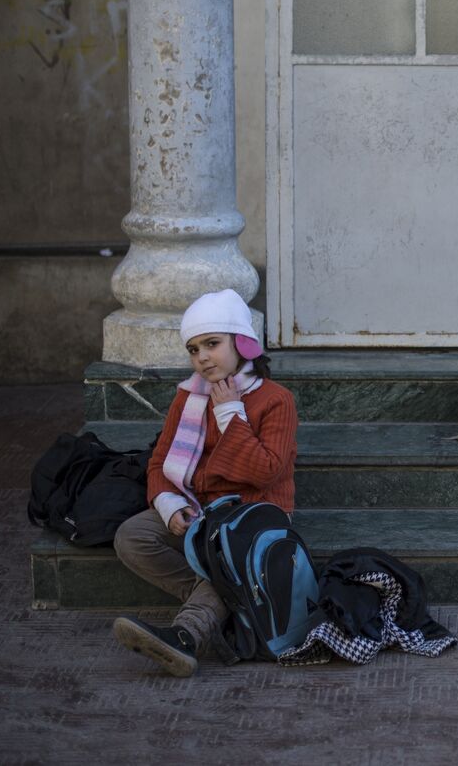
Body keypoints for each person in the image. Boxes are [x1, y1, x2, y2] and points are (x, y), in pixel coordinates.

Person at [111, 288, 298, 677]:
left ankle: (186, 635)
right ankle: (229, 603)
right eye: (194, 349)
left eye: (212, 344)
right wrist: (170, 504)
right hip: (198, 514)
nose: (202, 358)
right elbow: (161, 462)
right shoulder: (188, 397)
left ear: (243, 343)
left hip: (251, 520)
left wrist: (230, 411)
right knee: (132, 535)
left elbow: (267, 471)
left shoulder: (276, 400)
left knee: (228, 555)